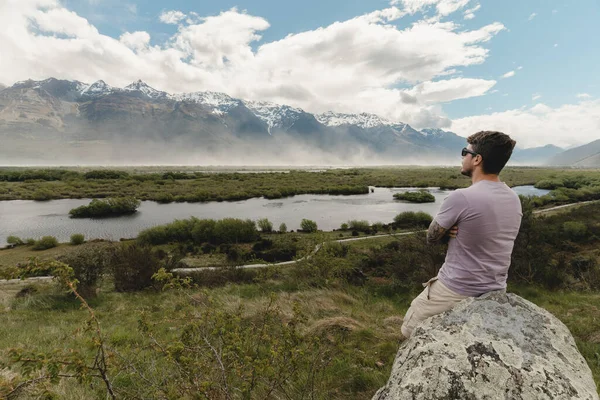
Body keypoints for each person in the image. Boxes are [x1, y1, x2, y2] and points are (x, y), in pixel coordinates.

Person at [400, 131, 523, 338]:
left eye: (465, 152)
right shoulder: (513, 198)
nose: (462, 156)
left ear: (477, 159)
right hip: (495, 289)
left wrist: (447, 232)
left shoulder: (461, 198)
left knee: (408, 332)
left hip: (455, 289)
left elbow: (431, 238)